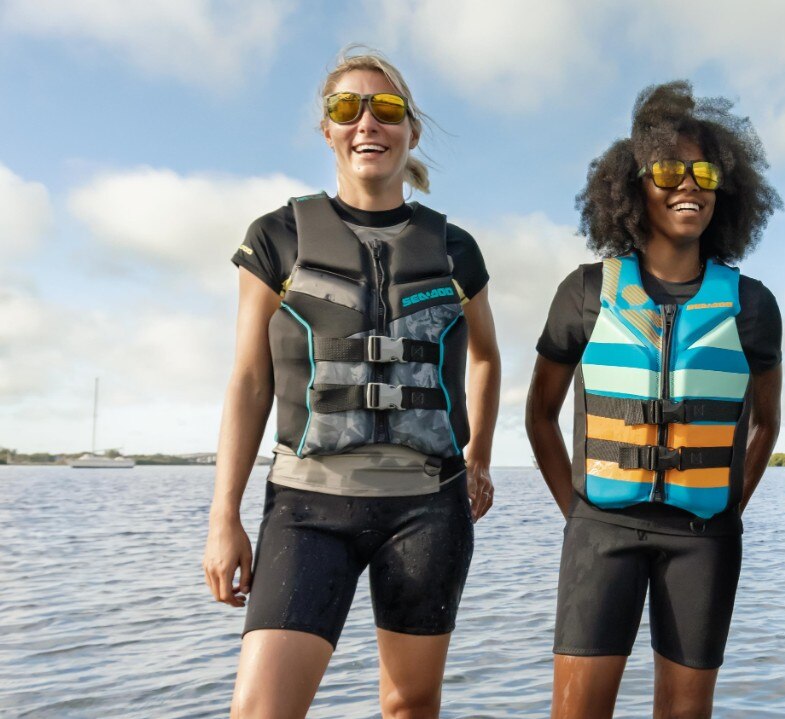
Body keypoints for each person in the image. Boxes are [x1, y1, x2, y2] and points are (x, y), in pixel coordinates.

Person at [201, 48, 500, 719]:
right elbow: (249, 380)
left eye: (387, 109)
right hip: (307, 509)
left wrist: (476, 454)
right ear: (328, 130)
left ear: (410, 131)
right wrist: (224, 515)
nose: (368, 122)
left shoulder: (456, 250)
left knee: (409, 704)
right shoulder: (275, 238)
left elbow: (485, 356)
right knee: (260, 709)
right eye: (347, 108)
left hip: (429, 507)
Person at [526, 81, 783, 719]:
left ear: (725, 189)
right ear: (634, 185)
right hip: (600, 530)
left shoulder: (752, 306)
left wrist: (725, 505)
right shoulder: (586, 293)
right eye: (668, 169)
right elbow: (539, 414)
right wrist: (580, 511)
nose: (687, 185)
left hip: (705, 537)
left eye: (704, 172)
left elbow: (767, 422)